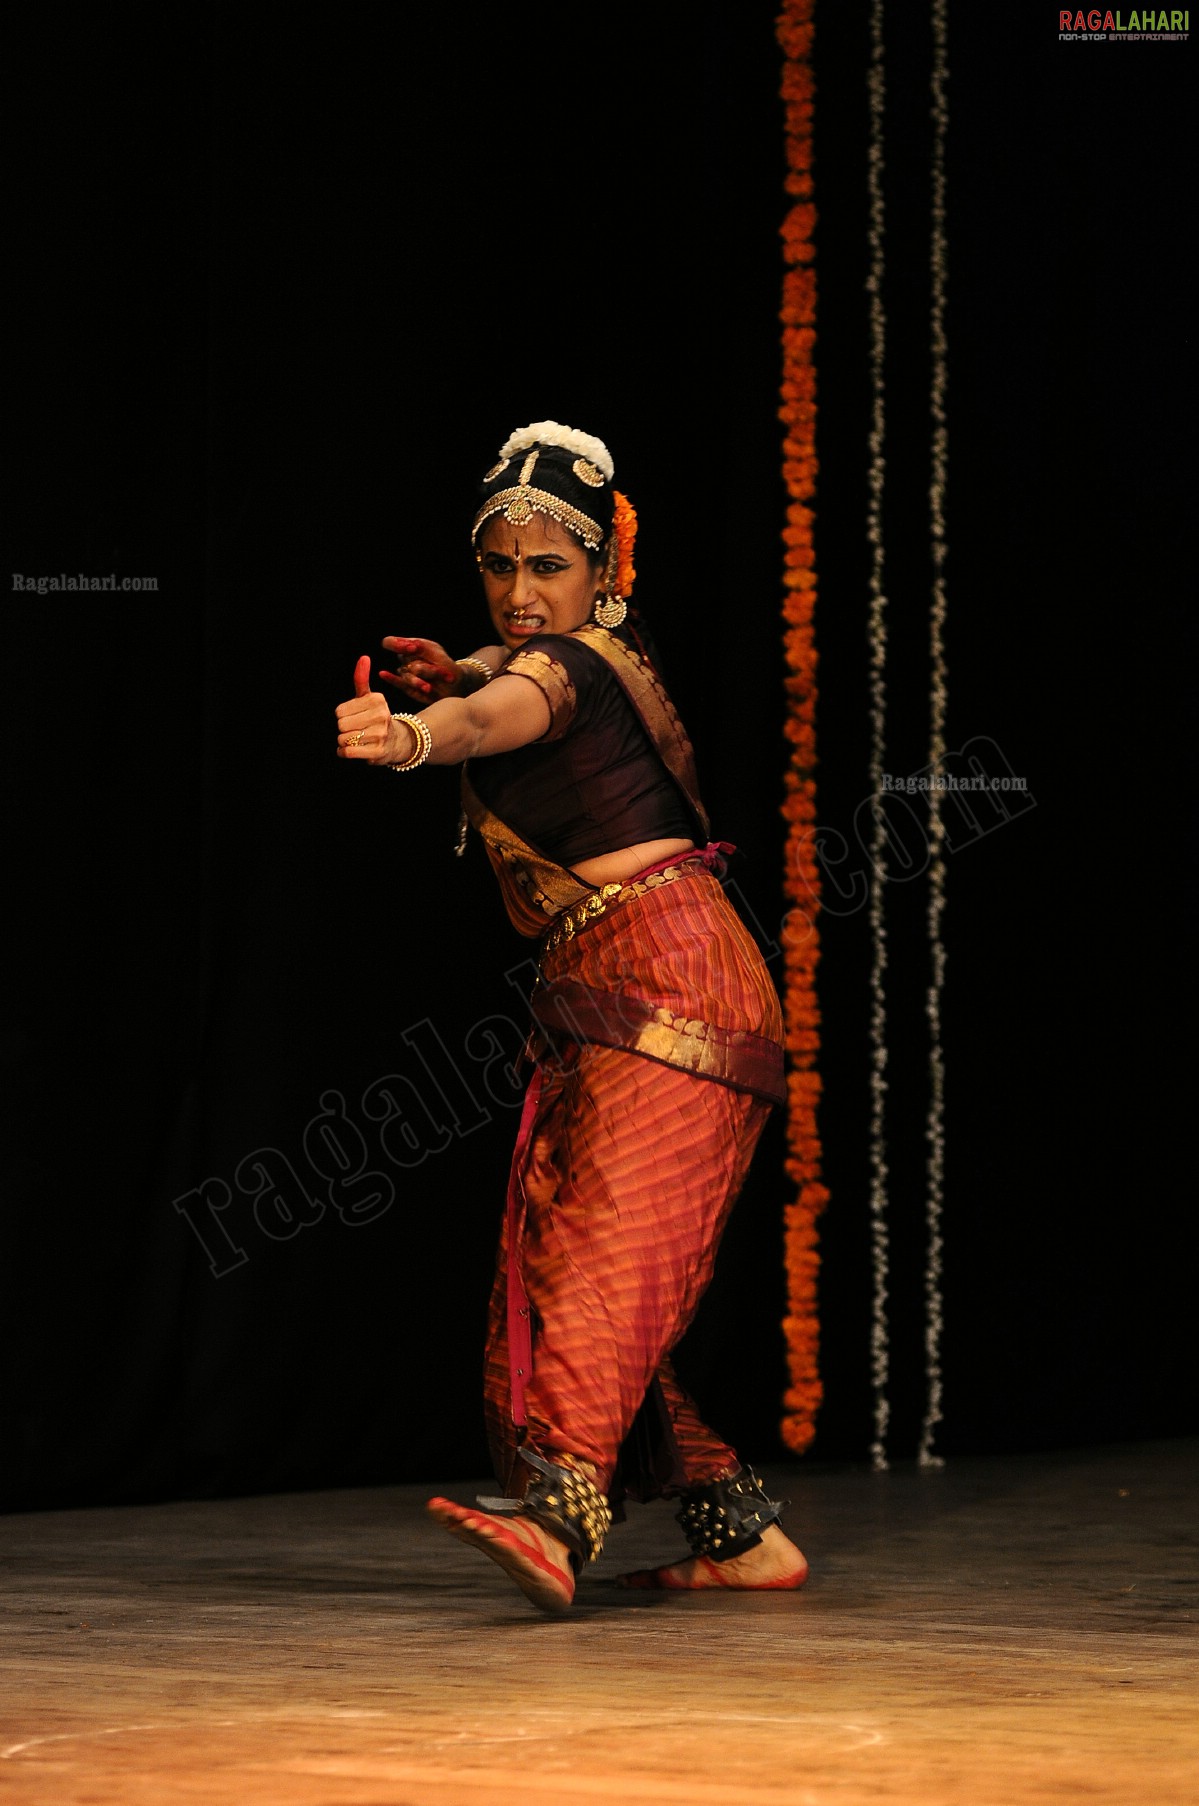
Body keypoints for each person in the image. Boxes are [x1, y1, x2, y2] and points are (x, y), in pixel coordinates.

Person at [334, 421, 808, 1613]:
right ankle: (733, 1527)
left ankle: (557, 1519)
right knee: (566, 1268)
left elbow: (503, 715)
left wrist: (409, 736)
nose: (519, 592)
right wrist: (453, 680)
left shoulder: (576, 666)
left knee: (595, 1255)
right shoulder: (549, 657)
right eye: (500, 565)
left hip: (670, 981)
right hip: (621, 989)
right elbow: (495, 683)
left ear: (604, 574)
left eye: (549, 566)